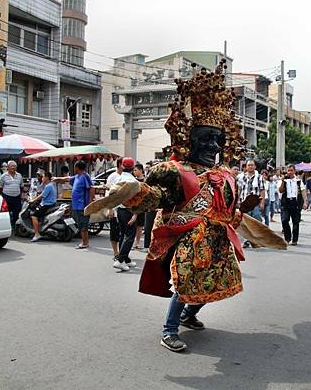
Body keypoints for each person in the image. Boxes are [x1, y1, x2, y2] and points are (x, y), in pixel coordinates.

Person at [84, 60, 284, 352]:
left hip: (216, 240)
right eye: (205, 140)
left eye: (217, 140)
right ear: (190, 140)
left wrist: (244, 217)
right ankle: (169, 330)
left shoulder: (226, 174)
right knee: (186, 283)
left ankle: (190, 315)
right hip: (190, 239)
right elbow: (159, 197)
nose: (213, 147)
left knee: (215, 284)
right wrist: (134, 190)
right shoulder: (177, 171)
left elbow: (228, 211)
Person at [55, 161, 94, 249]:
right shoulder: (77, 176)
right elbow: (67, 179)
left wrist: (90, 203)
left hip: (82, 205)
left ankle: (85, 243)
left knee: (83, 223)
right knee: (80, 223)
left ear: (77, 167)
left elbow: (91, 189)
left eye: (75, 167)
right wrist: (56, 178)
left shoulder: (85, 176)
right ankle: (84, 241)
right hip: (77, 205)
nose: (74, 168)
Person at [115, 157, 138, 270]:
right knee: (130, 236)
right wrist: (135, 214)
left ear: (122, 166)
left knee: (123, 235)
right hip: (129, 211)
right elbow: (137, 200)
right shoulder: (134, 181)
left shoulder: (118, 179)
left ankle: (126, 259)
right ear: (133, 168)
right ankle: (120, 260)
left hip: (120, 210)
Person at [278, 164, 308, 245]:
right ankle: (287, 238)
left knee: (296, 222)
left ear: (294, 171)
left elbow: (303, 191)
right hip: (286, 202)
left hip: (295, 202)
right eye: (288, 170)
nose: (290, 172)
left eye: (291, 170)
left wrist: (305, 202)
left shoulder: (298, 181)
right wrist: (283, 182)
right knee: (284, 220)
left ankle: (295, 239)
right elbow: (280, 190)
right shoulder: (283, 180)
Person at [30, 172, 57, 242]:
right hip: (50, 204)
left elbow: (42, 196)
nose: (42, 178)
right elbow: (42, 193)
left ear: (47, 178)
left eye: (43, 177)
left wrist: (33, 200)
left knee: (34, 216)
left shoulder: (48, 186)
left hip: (46, 204)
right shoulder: (50, 185)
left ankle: (36, 234)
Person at [0, 160, 24, 231]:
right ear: (8, 167)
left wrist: (19, 194)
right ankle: (7, 226)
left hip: (16, 197)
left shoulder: (19, 175)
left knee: (17, 212)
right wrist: (3, 196)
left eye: (15, 166)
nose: (13, 168)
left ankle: (14, 225)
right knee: (6, 213)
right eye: (12, 166)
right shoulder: (3, 176)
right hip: (7, 197)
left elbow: (21, 187)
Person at [106, 159, 123, 259]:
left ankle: (122, 252)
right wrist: (110, 208)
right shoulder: (112, 177)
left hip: (125, 208)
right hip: (114, 208)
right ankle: (116, 252)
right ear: (120, 165)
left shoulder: (128, 176)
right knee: (114, 232)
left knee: (124, 232)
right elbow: (108, 194)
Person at [132, 163, 147, 249]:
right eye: (134, 170)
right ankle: (132, 241)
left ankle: (137, 242)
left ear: (141, 170)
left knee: (140, 225)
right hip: (133, 205)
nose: (134, 172)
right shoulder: (134, 181)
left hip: (142, 205)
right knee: (133, 223)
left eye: (135, 170)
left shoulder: (145, 180)